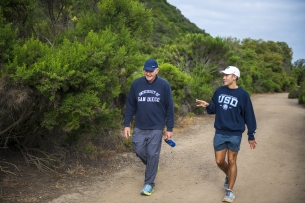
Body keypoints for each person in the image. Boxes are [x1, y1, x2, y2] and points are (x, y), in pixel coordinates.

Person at [196, 66, 257, 202]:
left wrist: (251, 135)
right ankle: (229, 175)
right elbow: (215, 109)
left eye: (226, 75)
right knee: (219, 161)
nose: (224, 77)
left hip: (235, 133)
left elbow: (249, 116)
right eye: (223, 75)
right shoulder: (219, 91)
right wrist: (207, 105)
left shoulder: (243, 95)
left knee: (231, 161)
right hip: (220, 132)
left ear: (234, 77)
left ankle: (230, 191)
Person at [123, 58, 174, 196]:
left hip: (156, 126)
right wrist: (126, 124)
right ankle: (153, 165)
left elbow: (169, 107)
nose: (148, 73)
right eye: (146, 70)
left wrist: (169, 128)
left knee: (152, 153)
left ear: (157, 70)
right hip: (140, 125)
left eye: (151, 71)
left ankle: (149, 184)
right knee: (138, 149)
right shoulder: (137, 84)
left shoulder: (164, 85)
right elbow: (130, 105)